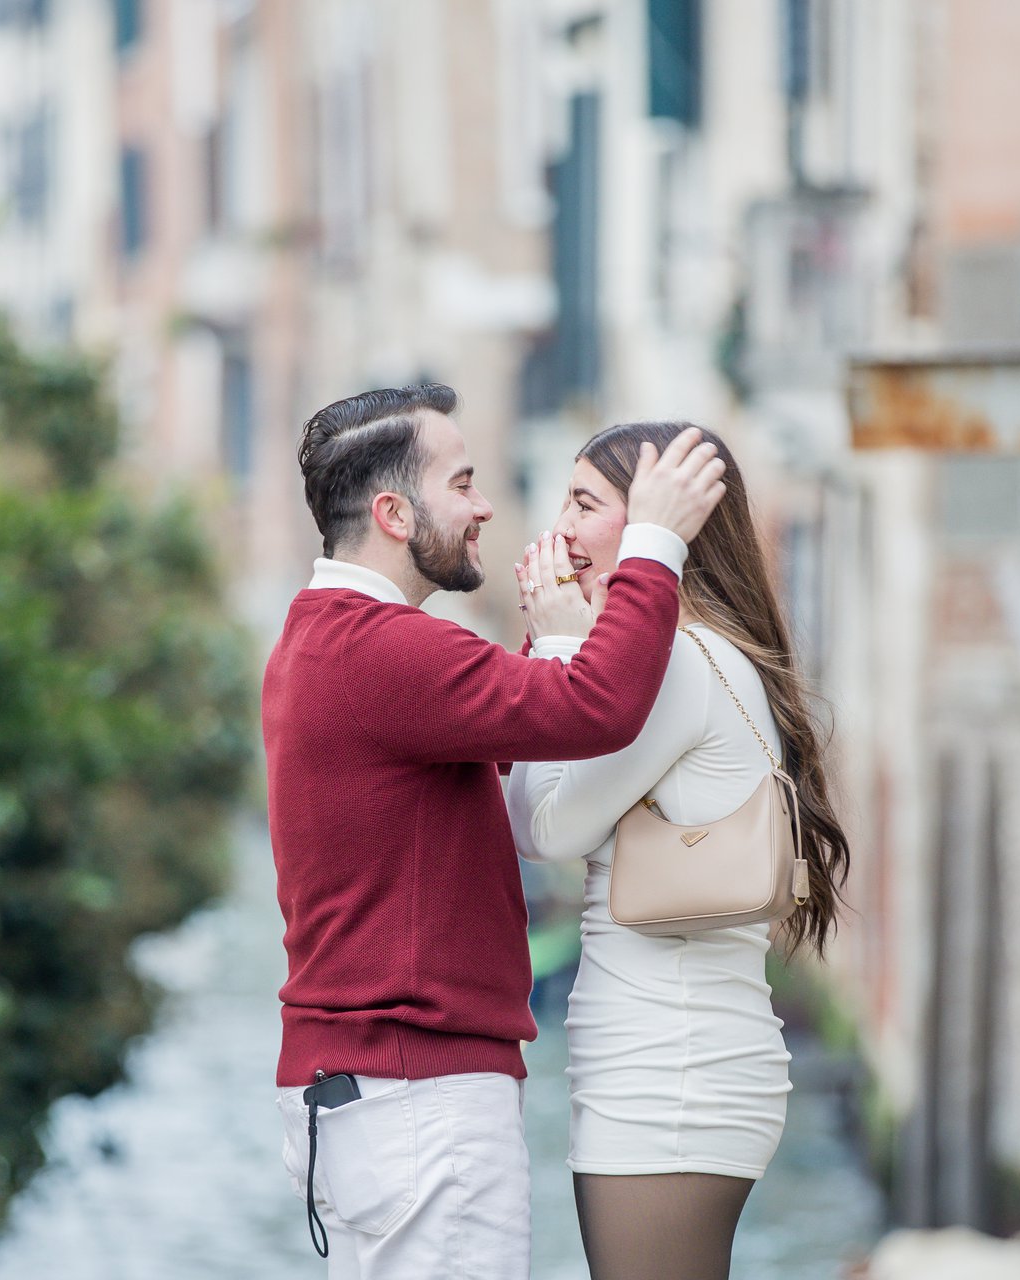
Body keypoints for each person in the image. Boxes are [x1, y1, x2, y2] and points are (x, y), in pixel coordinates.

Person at [263, 385, 727, 1279]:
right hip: (418, 1099)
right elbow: (598, 707)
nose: (485, 507)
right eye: (463, 482)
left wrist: (549, 642)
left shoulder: (325, 640)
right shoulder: (385, 649)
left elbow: (498, 730)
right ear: (395, 514)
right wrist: (655, 544)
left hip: (364, 1097)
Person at [507, 421, 853, 1280]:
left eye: (585, 505)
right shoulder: (706, 657)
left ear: (655, 527)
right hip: (674, 1063)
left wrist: (557, 647)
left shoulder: (681, 665)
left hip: (671, 1073)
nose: (560, 530)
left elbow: (543, 828)